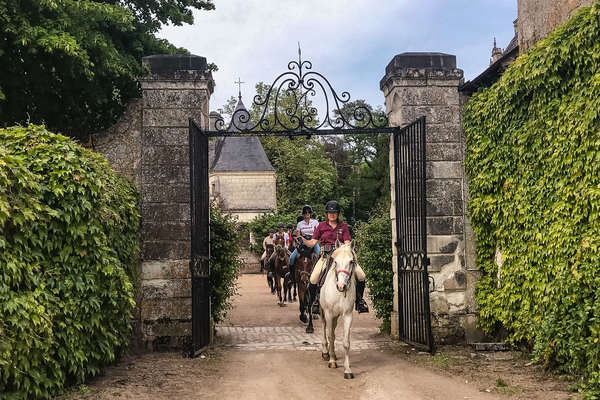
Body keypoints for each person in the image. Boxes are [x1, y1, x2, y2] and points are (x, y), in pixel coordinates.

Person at [302, 200, 369, 314]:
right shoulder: (321, 226)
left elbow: (347, 242)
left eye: (334, 212)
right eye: (329, 212)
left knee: (361, 275)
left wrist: (344, 248)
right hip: (326, 257)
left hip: (341, 257)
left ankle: (359, 301)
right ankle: (315, 302)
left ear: (338, 213)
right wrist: (303, 240)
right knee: (313, 278)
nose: (332, 214)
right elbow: (313, 242)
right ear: (326, 213)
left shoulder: (343, 226)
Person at [288, 205, 321, 284]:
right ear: (303, 214)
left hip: (313, 242)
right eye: (305, 213)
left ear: (310, 214)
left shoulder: (315, 222)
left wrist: (315, 240)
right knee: (292, 258)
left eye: (308, 212)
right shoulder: (300, 224)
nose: (307, 214)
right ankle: (292, 278)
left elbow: (318, 233)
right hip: (303, 242)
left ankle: (319, 277)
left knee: (319, 255)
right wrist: (300, 241)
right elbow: (298, 235)